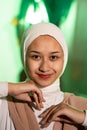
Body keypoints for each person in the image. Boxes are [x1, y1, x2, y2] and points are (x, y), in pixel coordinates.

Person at [0, 22, 87, 130]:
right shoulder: (5, 104)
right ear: (24, 57)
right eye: (36, 57)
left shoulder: (81, 107)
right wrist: (11, 88)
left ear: (64, 59)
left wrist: (83, 118)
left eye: (53, 57)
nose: (44, 68)